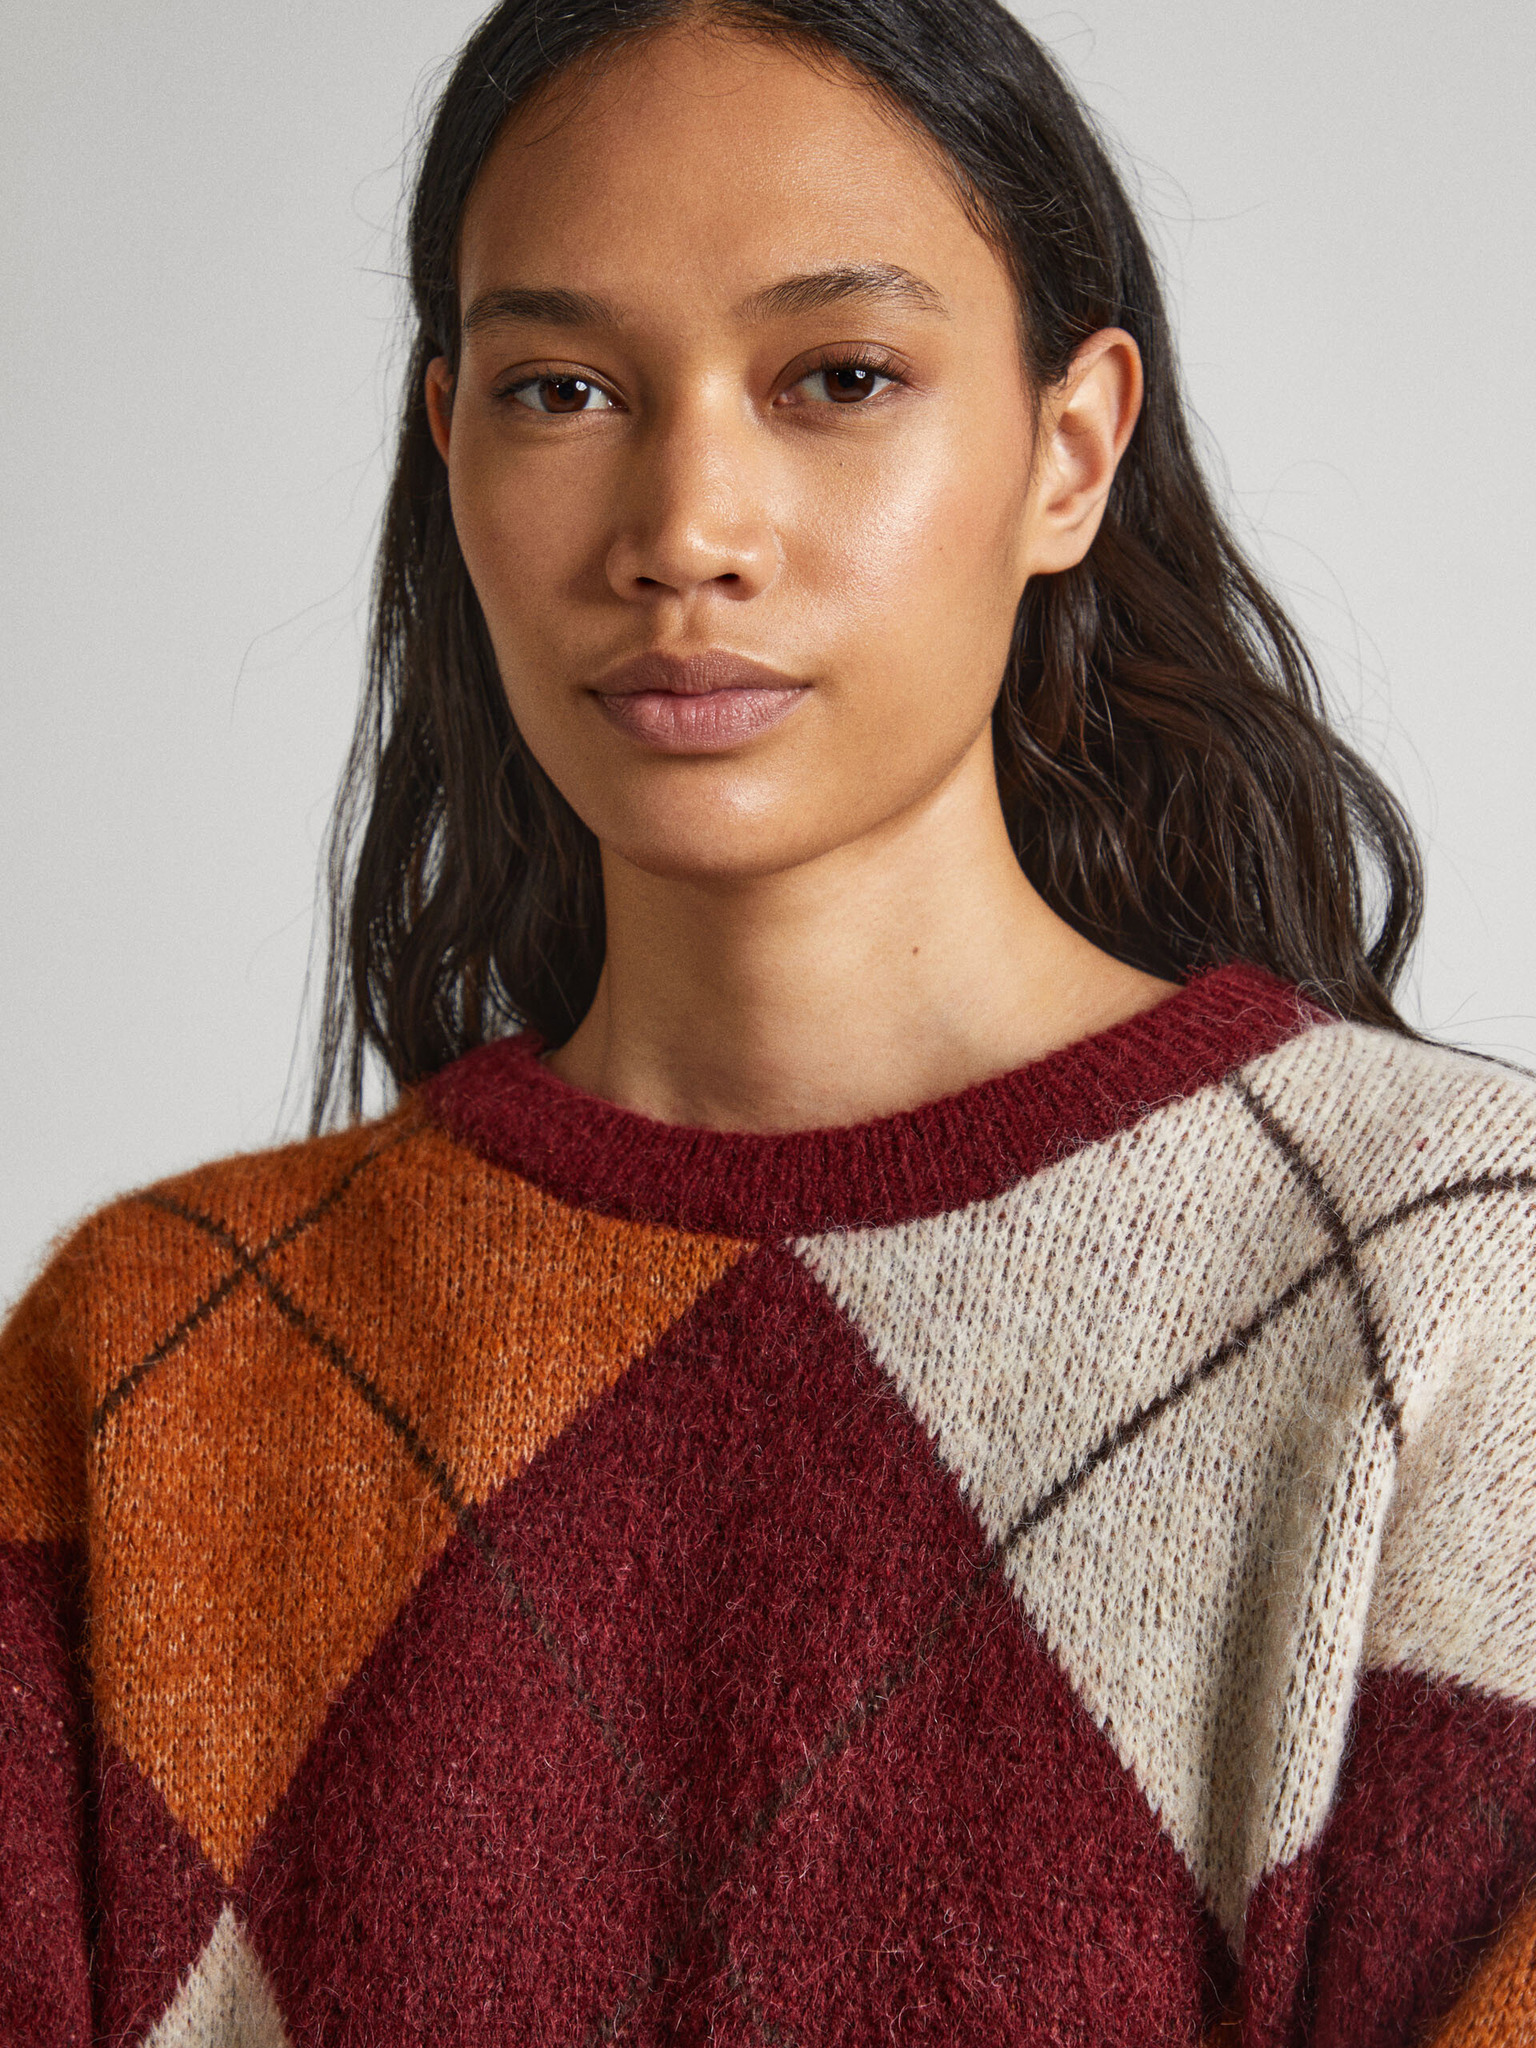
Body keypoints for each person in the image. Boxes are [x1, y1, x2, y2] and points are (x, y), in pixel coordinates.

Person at [2, 0, 1532, 2041]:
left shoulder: (1457, 1306)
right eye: (562, 389)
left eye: (839, 377)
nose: (686, 531)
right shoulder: (149, 1370)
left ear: (1071, 448)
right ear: (450, 448)